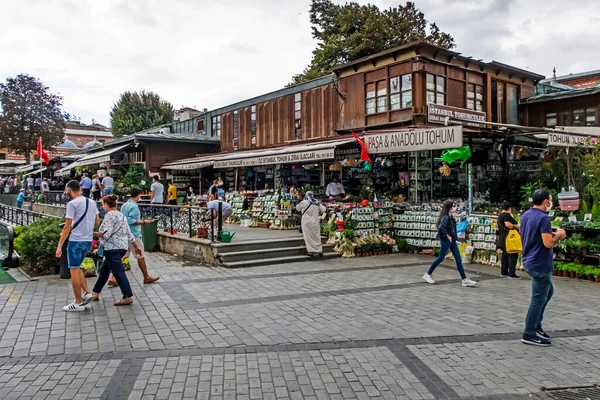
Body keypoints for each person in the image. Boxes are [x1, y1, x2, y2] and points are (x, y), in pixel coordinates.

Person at [520, 189, 567, 347]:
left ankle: (536, 325)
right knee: (538, 298)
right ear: (545, 202)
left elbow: (531, 233)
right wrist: (559, 235)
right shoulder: (543, 218)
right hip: (539, 262)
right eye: (550, 200)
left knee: (548, 291)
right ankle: (530, 332)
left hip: (530, 260)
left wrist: (550, 232)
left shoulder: (526, 215)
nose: (551, 203)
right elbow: (548, 243)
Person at [91, 194, 143, 306]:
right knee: (105, 270)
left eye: (102, 204)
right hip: (122, 247)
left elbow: (105, 234)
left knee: (118, 272)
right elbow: (128, 232)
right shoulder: (121, 215)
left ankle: (127, 295)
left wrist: (90, 233)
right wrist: (136, 246)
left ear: (105, 204)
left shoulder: (109, 216)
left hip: (112, 248)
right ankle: (95, 292)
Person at [55, 180, 99, 312]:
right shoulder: (91, 202)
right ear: (80, 188)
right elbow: (97, 221)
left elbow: (67, 227)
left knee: (73, 270)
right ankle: (86, 293)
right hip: (88, 240)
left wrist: (59, 246)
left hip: (75, 241)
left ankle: (78, 302)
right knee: (77, 267)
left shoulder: (72, 204)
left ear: (69, 190)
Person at [108, 188, 160, 286]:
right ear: (138, 195)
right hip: (133, 235)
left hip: (124, 234)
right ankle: (146, 277)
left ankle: (113, 277)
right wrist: (144, 222)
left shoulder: (125, 205)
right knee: (140, 256)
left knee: (122, 256)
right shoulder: (134, 207)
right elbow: (131, 221)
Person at [423, 200, 477, 287]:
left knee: (458, 260)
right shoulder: (446, 217)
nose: (455, 208)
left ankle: (464, 279)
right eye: (453, 206)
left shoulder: (450, 217)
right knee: (440, 258)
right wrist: (448, 236)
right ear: (450, 208)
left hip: (452, 241)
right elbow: (441, 228)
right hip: (446, 241)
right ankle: (428, 274)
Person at [296, 191, 326, 256]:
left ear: (306, 196)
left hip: (306, 222)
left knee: (308, 236)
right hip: (315, 221)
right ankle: (319, 250)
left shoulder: (304, 202)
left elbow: (297, 208)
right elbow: (324, 209)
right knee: (317, 236)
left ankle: (311, 251)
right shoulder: (317, 202)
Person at [498, 201, 521, 279]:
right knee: (512, 254)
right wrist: (516, 226)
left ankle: (504, 272)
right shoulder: (506, 215)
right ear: (509, 208)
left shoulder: (500, 215)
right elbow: (508, 225)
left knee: (505, 255)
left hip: (503, 237)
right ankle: (512, 273)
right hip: (510, 238)